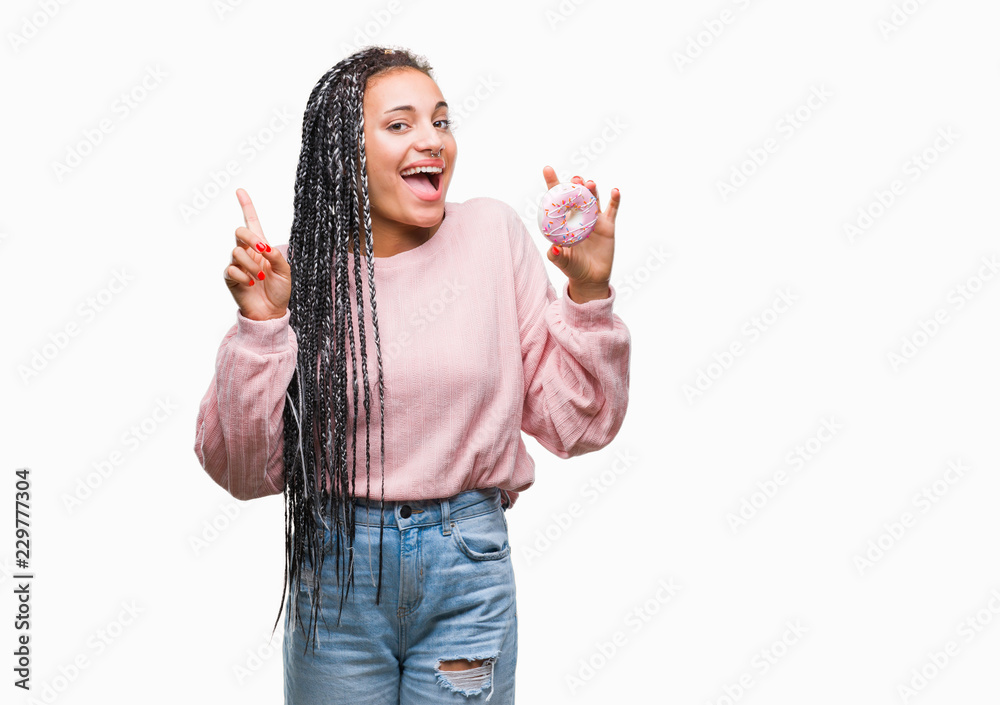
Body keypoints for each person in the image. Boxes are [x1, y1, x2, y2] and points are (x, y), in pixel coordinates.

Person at [193, 44, 631, 704]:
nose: (431, 140)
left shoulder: (493, 235)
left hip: (467, 571)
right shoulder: (295, 274)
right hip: (337, 576)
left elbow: (578, 424)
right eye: (400, 124)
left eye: (441, 121)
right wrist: (262, 326)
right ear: (345, 151)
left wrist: (589, 296)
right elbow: (242, 470)